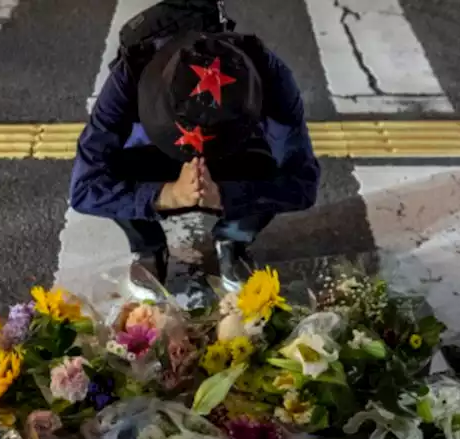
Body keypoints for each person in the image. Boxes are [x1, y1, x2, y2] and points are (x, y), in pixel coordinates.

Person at [69, 0, 320, 291]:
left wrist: (226, 196)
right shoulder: (130, 73)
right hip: (154, 151)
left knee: (270, 166)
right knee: (114, 166)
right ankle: (149, 246)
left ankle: (234, 237)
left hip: (236, 151)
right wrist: (166, 196)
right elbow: (84, 188)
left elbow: (303, 183)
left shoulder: (269, 73)